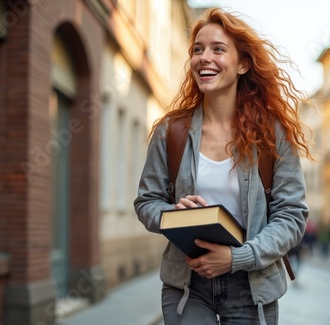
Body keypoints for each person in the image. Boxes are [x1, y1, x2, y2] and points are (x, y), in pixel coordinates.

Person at [134, 8, 314, 325]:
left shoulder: (271, 135)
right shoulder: (171, 131)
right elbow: (146, 202)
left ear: (242, 64)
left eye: (218, 49)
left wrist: (235, 258)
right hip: (187, 285)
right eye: (197, 50)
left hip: (252, 285)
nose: (205, 57)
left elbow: (292, 216)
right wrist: (172, 214)